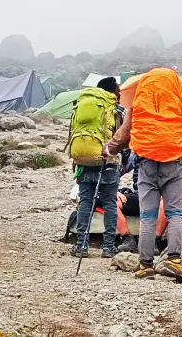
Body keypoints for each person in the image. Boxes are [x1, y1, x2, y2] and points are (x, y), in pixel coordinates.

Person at [107, 68, 182, 282]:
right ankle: (174, 259)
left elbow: (123, 135)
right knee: (176, 214)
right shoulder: (179, 103)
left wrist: (109, 150)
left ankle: (145, 265)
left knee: (148, 216)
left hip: (146, 164)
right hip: (174, 164)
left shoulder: (137, 104)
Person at [66, 77, 125, 259]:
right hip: (107, 162)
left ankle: (81, 245)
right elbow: (120, 137)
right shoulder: (114, 109)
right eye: (118, 90)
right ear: (111, 91)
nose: (120, 93)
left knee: (85, 202)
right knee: (109, 202)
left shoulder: (83, 103)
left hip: (83, 162)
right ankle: (108, 247)